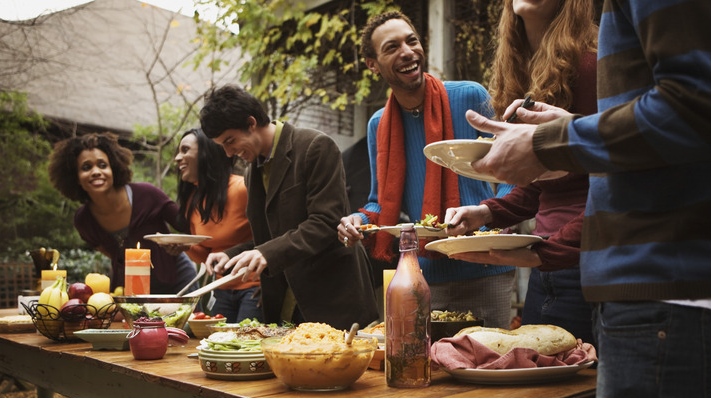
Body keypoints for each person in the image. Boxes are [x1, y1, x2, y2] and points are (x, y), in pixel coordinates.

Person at [463, 0, 711, 398]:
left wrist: (553, 142)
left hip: (673, 299)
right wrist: (572, 131)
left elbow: (703, 104)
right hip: (659, 300)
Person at [338, 11, 515, 329]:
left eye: (412, 41)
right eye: (391, 47)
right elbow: (380, 202)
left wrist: (490, 213)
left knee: (489, 370)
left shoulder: (470, 97)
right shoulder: (379, 124)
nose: (406, 51)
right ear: (373, 64)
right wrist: (358, 221)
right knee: (425, 373)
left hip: (486, 267)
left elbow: (511, 175)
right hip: (423, 278)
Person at [444, 0, 598, 345]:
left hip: (585, 263)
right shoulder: (525, 68)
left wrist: (548, 252)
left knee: (574, 394)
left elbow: (612, 181)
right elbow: (537, 184)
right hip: (546, 266)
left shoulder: (590, 63)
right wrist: (486, 212)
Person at [199, 84, 378, 331]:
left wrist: (265, 253)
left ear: (251, 123)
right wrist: (229, 255)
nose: (229, 153)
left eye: (230, 141)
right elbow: (273, 238)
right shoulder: (253, 172)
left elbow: (326, 222)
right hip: (286, 306)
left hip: (333, 300)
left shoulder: (315, 146)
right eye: (222, 146)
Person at [47, 132, 197, 295]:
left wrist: (179, 244)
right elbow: (111, 253)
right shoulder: (83, 220)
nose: (96, 171)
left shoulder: (147, 194)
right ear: (75, 177)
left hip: (177, 279)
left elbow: (190, 226)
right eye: (86, 167)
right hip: (129, 288)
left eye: (102, 165)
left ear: (114, 168)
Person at [171, 128, 263, 322]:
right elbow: (207, 255)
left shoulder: (242, 188)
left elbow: (271, 235)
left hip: (255, 289)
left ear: (207, 153)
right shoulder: (193, 201)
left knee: (244, 349)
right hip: (220, 288)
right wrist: (185, 247)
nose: (178, 158)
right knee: (216, 345)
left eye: (185, 150)